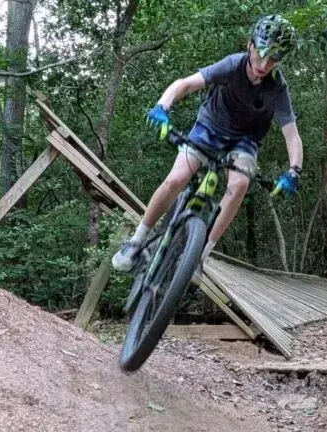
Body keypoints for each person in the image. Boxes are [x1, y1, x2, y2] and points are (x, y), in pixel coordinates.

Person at [112, 14, 303, 284]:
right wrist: (162, 106)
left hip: (245, 141)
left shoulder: (278, 88)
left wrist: (294, 171)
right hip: (209, 127)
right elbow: (186, 84)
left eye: (273, 59)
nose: (263, 65)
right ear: (250, 45)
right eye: (261, 54)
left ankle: (200, 256)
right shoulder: (233, 65)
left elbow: (292, 135)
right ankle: (137, 239)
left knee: (239, 184)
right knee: (177, 178)